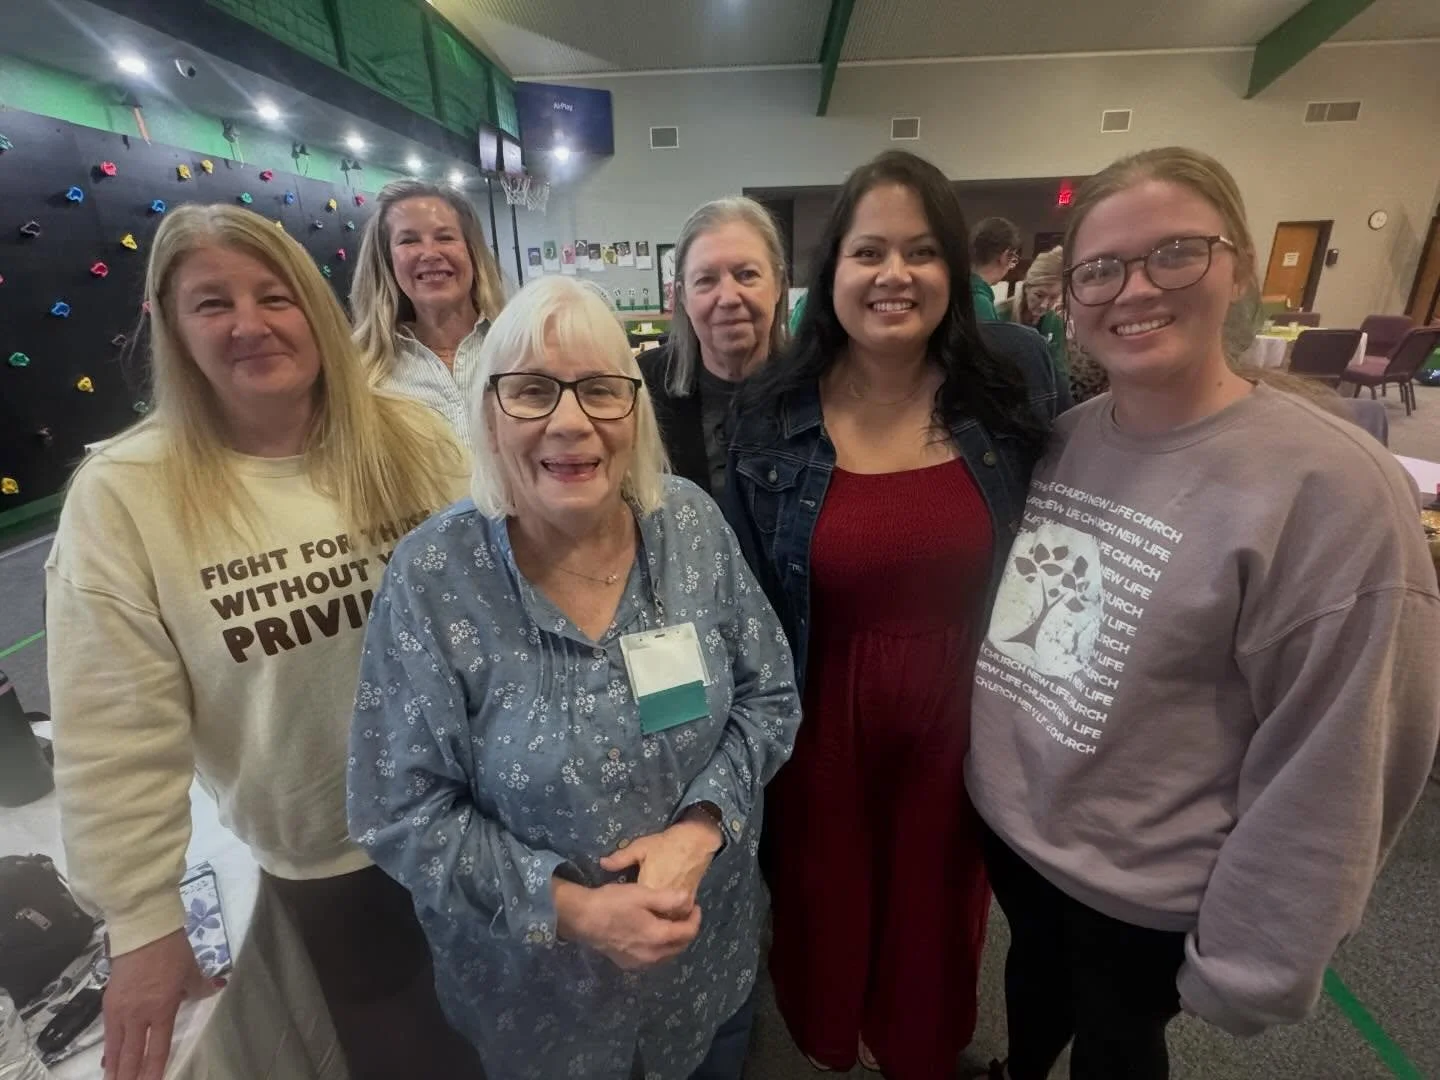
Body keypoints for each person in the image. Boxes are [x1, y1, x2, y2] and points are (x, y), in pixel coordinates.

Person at [968, 147, 1440, 1080]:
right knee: (1034, 999)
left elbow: (1342, 755)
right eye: (1100, 268)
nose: (1133, 288)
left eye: (1174, 253)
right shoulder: (1067, 440)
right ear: (1072, 296)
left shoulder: (1331, 488)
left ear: (1239, 268)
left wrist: (1258, 958)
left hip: (1141, 885)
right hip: (1022, 836)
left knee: (1116, 1045)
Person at [45, 205, 478, 1080]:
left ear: (315, 309)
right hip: (334, 865)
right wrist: (142, 922)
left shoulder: (416, 440)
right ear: (171, 328)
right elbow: (115, 732)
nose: (249, 324)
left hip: (479, 827)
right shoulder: (128, 495)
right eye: (212, 304)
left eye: (274, 296)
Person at [347, 275, 801, 1080]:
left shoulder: (691, 526)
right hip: (537, 1007)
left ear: (635, 411)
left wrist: (700, 831)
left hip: (700, 972)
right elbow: (396, 808)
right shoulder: (434, 576)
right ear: (490, 413)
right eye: (531, 391)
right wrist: (578, 912)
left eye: (599, 389)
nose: (569, 421)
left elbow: (768, 697)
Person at [725, 150, 1068, 1078]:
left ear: (954, 272)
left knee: (931, 930)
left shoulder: (1010, 395)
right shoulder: (769, 418)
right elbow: (746, 614)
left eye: (920, 252)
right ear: (830, 272)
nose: (893, 275)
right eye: (868, 251)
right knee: (825, 922)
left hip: (960, 731)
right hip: (820, 723)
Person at [638, 197, 788, 498]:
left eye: (747, 275)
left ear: (779, 284)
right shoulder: (642, 388)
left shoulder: (819, 386)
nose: (729, 298)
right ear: (682, 296)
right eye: (706, 280)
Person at [351, 178, 507, 444]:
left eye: (445, 237)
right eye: (409, 240)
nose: (430, 253)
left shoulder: (519, 346)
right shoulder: (360, 371)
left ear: (472, 251)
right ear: (387, 261)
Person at [999, 245, 1068, 382]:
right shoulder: (1000, 315)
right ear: (1026, 287)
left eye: (1053, 297)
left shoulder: (1056, 322)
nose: (1044, 305)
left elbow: (1060, 373)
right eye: (1039, 295)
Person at [970, 215, 1020, 320]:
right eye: (1013, 259)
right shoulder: (980, 302)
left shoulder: (957, 287)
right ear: (1004, 256)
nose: (1012, 267)